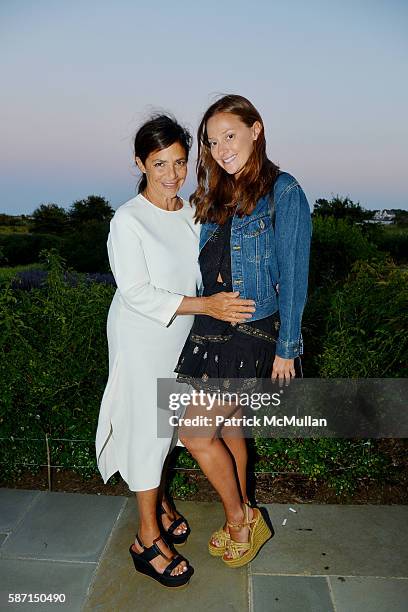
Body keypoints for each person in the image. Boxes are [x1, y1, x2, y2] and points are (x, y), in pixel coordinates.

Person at [95, 114, 255, 587]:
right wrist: (208, 304)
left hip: (184, 339)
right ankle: (147, 539)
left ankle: (161, 506)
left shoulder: (190, 212)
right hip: (142, 337)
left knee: (170, 430)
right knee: (148, 430)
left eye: (180, 162)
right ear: (140, 163)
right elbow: (137, 293)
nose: (172, 175)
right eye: (160, 164)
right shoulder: (127, 219)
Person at [176, 95, 312, 567]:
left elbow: (294, 274)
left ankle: (240, 518)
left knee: (194, 433)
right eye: (212, 143)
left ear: (256, 129)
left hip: (252, 328)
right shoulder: (217, 193)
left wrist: (286, 348)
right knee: (228, 427)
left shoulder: (285, 191)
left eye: (229, 135)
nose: (220, 149)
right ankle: (244, 510)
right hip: (210, 322)